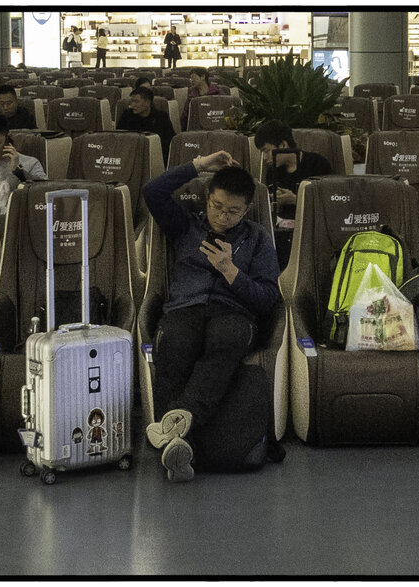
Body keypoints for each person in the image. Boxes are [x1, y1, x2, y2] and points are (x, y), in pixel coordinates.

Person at [139, 151, 281, 483]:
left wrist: (231, 272)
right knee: (174, 343)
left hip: (233, 312)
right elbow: (152, 192)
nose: (222, 216)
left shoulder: (257, 238)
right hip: (185, 308)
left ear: (246, 209)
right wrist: (198, 166)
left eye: (233, 211)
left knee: (225, 340)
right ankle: (177, 449)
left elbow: (267, 298)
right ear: (207, 198)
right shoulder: (186, 224)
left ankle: (178, 426)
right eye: (217, 206)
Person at [252, 120, 332, 266]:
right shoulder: (273, 171)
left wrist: (296, 200)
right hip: (281, 233)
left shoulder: (318, 165)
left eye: (266, 151)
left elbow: (330, 204)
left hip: (312, 233)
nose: (264, 158)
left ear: (283, 145)